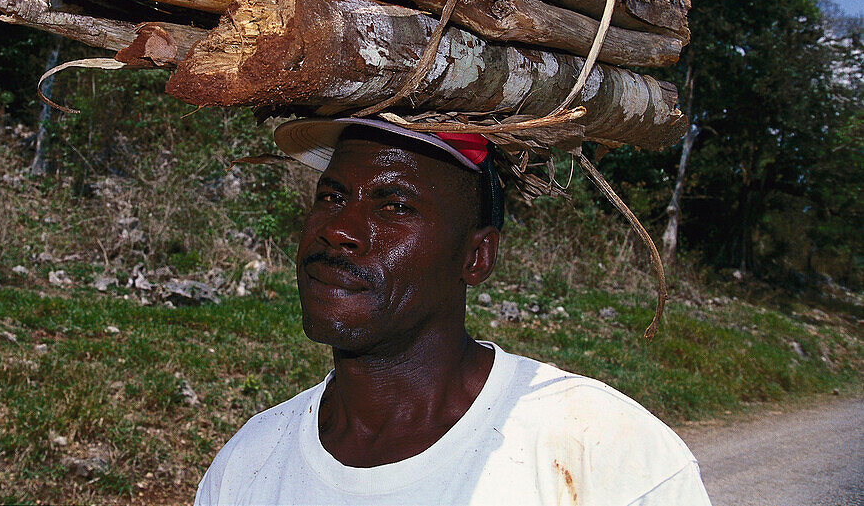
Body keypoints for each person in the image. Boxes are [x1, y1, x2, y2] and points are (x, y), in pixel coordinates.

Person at [195, 118, 711, 506]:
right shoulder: (248, 468)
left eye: (395, 206)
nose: (338, 229)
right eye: (332, 196)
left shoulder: (602, 454)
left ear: (476, 256)